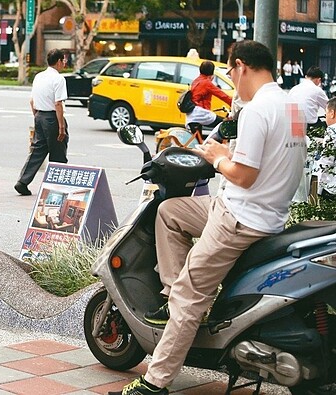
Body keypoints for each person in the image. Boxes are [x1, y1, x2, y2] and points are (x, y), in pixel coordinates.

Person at [109, 40, 306, 395]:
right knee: (170, 212)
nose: (231, 78)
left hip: (240, 219)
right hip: (265, 212)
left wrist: (217, 157)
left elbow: (243, 176)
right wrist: (230, 153)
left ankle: (155, 381)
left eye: (230, 71)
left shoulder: (257, 110)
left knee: (190, 291)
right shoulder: (291, 106)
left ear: (241, 66)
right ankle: (172, 305)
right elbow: (275, 160)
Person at [14, 48, 69, 196]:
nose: (65, 63)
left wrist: (37, 117)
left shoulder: (39, 76)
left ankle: (22, 181)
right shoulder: (59, 79)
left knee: (37, 151)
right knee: (58, 154)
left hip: (39, 116)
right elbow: (58, 104)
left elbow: (32, 101)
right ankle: (56, 187)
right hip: (52, 118)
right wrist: (61, 127)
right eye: (64, 60)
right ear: (59, 61)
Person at [185, 60, 232, 129]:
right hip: (200, 113)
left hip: (192, 114)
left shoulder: (196, 80)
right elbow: (222, 96)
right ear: (212, 72)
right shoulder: (207, 83)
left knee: (197, 139)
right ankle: (213, 140)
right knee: (224, 124)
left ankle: (208, 140)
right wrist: (233, 104)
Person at [313, 97, 336, 199]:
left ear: (332, 113)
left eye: (325, 114)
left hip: (332, 187)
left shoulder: (332, 130)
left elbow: (327, 161)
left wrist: (318, 189)